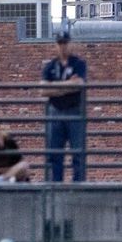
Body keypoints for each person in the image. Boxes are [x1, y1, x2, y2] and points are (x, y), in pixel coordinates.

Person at [40, 26, 89, 183]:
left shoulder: (78, 64)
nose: (63, 46)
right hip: (55, 112)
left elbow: (80, 84)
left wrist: (55, 87)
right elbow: (42, 91)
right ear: (56, 45)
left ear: (70, 44)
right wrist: (67, 86)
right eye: (60, 43)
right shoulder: (50, 66)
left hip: (74, 111)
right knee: (54, 153)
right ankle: (56, 185)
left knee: (78, 153)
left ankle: (78, 186)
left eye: (65, 43)